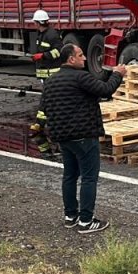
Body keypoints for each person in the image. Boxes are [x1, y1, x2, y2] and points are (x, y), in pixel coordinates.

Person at [40, 43, 126, 233]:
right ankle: (86, 221)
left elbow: (44, 108)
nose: (85, 58)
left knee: (70, 175)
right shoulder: (80, 77)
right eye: (80, 55)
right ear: (71, 59)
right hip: (84, 135)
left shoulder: (51, 81)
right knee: (89, 178)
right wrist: (118, 74)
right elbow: (105, 90)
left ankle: (70, 215)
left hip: (62, 137)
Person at [31, 9, 63, 85]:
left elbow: (59, 51)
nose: (34, 24)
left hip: (52, 74)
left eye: (35, 22)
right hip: (46, 74)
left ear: (38, 23)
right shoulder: (41, 34)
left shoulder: (52, 35)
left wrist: (43, 55)